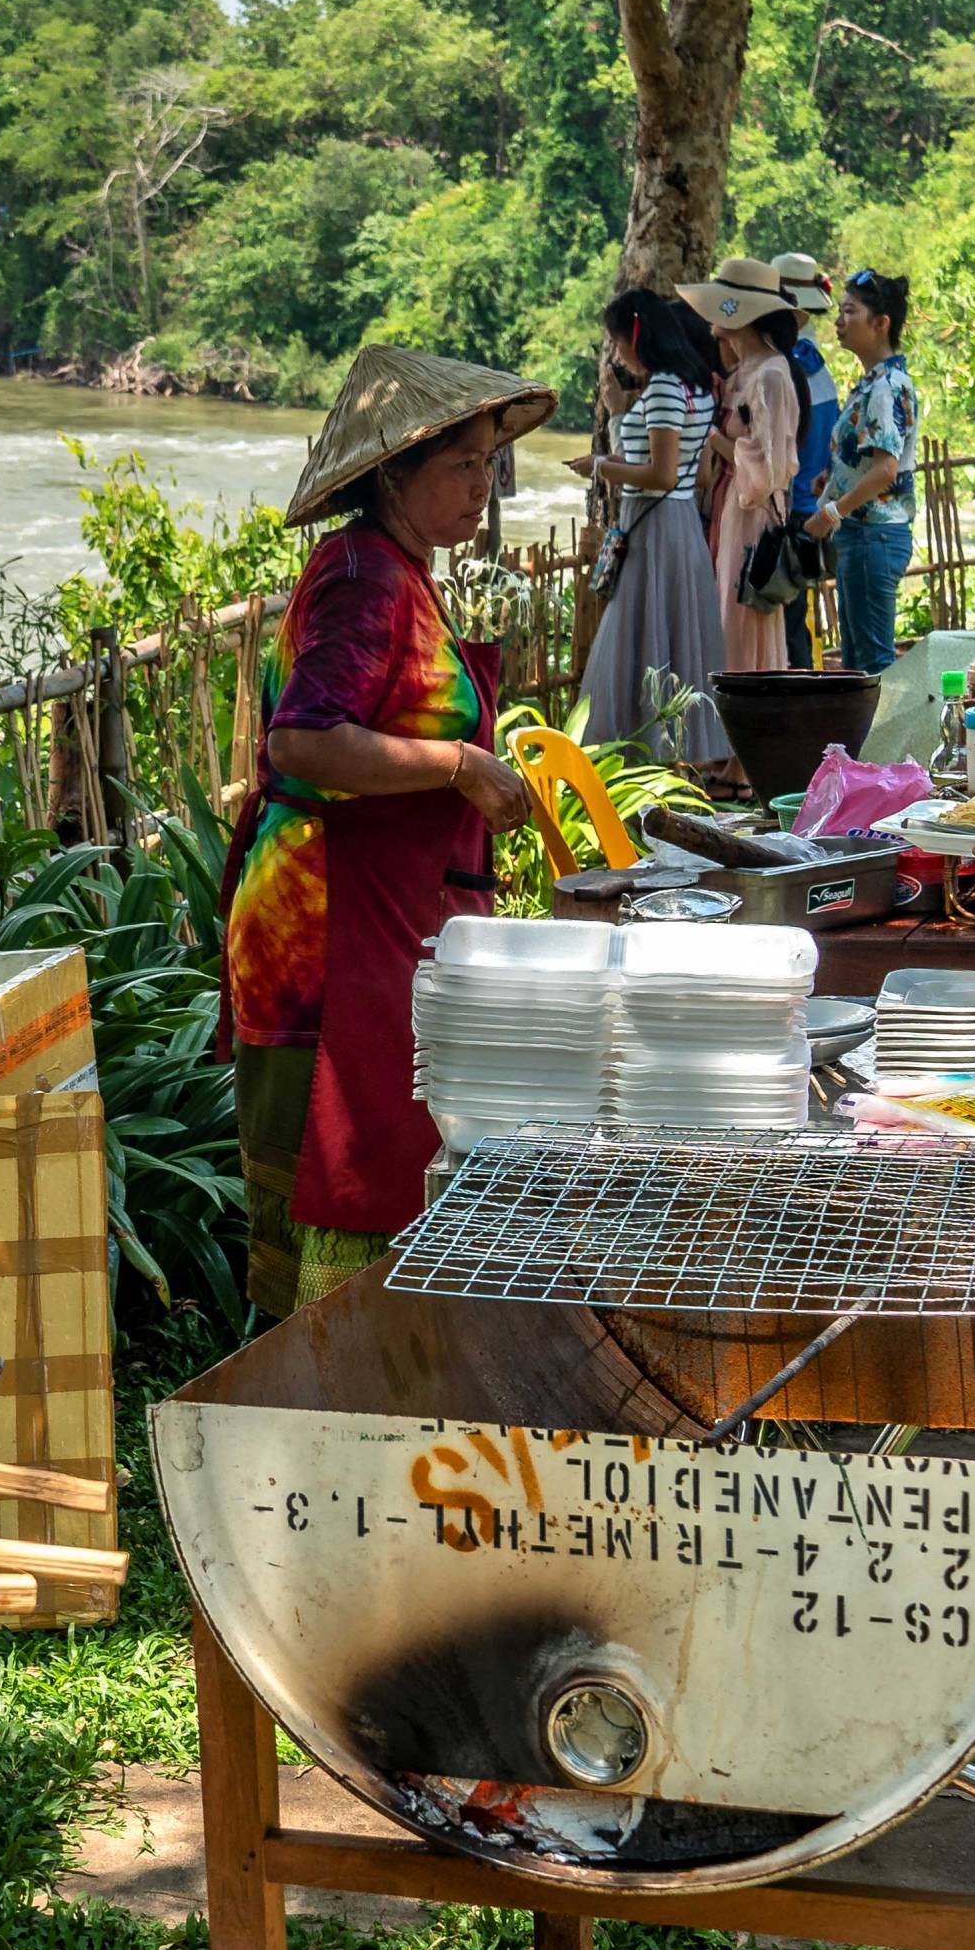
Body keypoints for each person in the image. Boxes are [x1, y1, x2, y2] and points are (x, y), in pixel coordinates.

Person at [219, 345, 548, 1320]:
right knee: (324, 1167)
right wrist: (458, 765)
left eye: (492, 464)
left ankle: (342, 1366)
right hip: (321, 927)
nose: (482, 487)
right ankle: (304, 1373)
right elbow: (307, 741)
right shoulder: (364, 574)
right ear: (394, 473)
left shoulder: (396, 566)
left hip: (367, 911)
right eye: (461, 466)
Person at [570, 290, 732, 766]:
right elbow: (696, 475)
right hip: (679, 524)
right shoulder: (698, 387)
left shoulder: (663, 387)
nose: (618, 354)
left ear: (637, 336)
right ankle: (668, 756)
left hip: (653, 525)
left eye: (618, 342)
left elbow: (658, 473)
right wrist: (621, 413)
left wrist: (600, 466)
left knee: (639, 636)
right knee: (671, 639)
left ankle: (638, 754)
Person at [678, 255, 812, 679]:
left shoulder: (771, 375)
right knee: (726, 612)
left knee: (740, 618)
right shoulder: (745, 373)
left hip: (751, 512)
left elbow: (769, 466)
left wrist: (713, 440)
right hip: (730, 505)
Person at [802, 268, 920, 675]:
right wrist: (835, 476)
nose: (838, 321)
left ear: (880, 323)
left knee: (873, 665)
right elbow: (872, 460)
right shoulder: (874, 383)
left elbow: (886, 470)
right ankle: (861, 742)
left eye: (849, 311)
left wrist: (832, 511)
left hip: (874, 533)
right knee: (857, 664)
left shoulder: (886, 388)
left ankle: (886, 741)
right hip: (866, 534)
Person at [774, 251, 842, 667]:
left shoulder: (791, 365)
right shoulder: (815, 362)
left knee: (786, 621)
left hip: (794, 508)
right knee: (794, 618)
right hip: (810, 507)